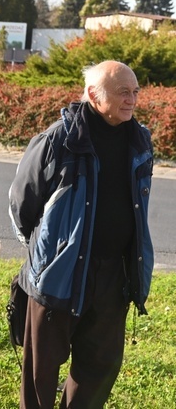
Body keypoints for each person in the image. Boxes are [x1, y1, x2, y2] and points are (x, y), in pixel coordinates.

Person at [8, 60, 154, 409]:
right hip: (61, 273)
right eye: (122, 92)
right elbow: (21, 202)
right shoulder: (58, 140)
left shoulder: (140, 140)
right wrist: (47, 254)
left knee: (100, 368)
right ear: (93, 94)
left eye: (135, 91)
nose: (132, 99)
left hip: (114, 275)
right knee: (40, 372)